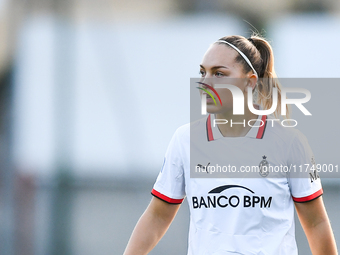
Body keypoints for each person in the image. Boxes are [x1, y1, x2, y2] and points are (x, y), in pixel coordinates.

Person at [123, 34, 338, 255]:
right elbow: (157, 216)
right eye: (202, 72)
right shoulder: (184, 140)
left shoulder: (289, 143)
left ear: (250, 81)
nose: (205, 82)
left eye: (219, 74)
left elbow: (316, 223)